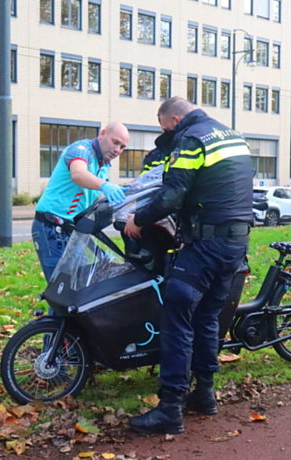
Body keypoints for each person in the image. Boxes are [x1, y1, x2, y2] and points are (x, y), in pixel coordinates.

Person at [124, 97, 252, 434]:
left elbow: (172, 195)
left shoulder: (191, 140)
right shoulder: (230, 134)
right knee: (207, 317)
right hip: (236, 243)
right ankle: (205, 395)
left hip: (207, 244)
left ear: (175, 118)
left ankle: (169, 409)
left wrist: (138, 218)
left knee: (176, 312)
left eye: (165, 126)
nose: (166, 132)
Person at [32, 123, 130, 282]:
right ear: (102, 134)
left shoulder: (103, 164)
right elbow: (78, 174)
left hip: (71, 230)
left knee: (77, 284)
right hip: (50, 227)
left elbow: (91, 195)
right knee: (62, 285)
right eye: (115, 142)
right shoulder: (81, 150)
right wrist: (105, 185)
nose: (117, 150)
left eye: (122, 147)